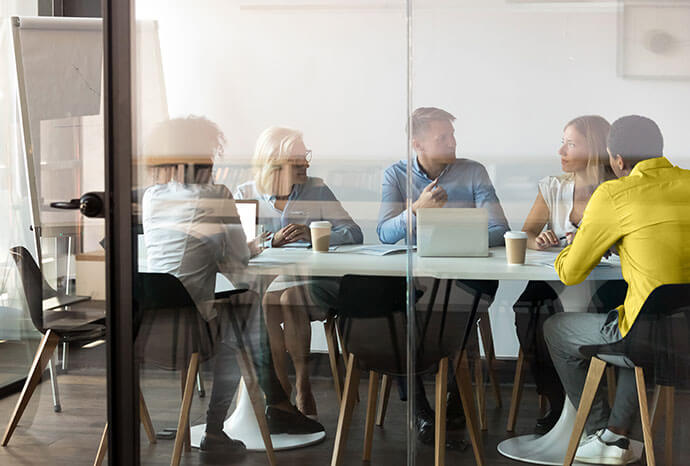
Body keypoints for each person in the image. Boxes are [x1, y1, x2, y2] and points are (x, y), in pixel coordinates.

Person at [141, 117, 323, 458]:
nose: (214, 161)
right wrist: (255, 248)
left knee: (245, 309)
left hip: (150, 324)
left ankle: (277, 404)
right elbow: (238, 263)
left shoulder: (152, 197)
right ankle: (222, 426)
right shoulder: (215, 195)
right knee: (249, 311)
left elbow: (213, 252)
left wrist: (242, 250)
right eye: (211, 153)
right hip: (194, 326)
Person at [544, 115, 690, 465]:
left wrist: (579, 241)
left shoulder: (614, 193)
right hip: (682, 330)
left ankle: (598, 433)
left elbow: (570, 273)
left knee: (557, 329)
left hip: (646, 335)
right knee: (638, 320)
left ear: (618, 161)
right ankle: (618, 436)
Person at [377, 107, 510, 444]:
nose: (453, 142)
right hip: (419, 280)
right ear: (417, 143)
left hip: (468, 278)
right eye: (443, 137)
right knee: (399, 315)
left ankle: (455, 398)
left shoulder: (473, 172)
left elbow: (500, 229)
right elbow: (384, 233)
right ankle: (421, 409)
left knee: (450, 307)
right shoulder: (395, 175)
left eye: (452, 135)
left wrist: (453, 232)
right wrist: (417, 210)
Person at [236, 126, 363, 418]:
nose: (306, 163)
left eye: (305, 156)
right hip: (267, 284)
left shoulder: (316, 189)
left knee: (289, 297)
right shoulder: (245, 193)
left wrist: (314, 234)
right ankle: (281, 388)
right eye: (298, 159)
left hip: (312, 282)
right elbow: (236, 248)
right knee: (270, 300)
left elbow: (354, 233)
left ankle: (302, 385)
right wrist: (270, 240)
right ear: (274, 162)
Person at [520, 115, 614, 433]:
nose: (561, 150)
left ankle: (589, 408)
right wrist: (541, 240)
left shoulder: (619, 192)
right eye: (563, 141)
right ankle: (559, 402)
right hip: (555, 277)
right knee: (526, 312)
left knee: (577, 320)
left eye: (571, 144)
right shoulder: (553, 187)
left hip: (603, 283)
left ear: (596, 148)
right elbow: (527, 234)